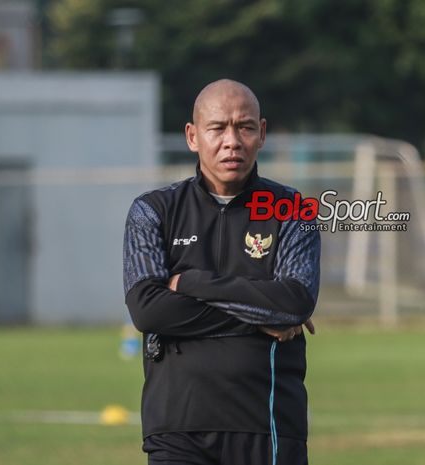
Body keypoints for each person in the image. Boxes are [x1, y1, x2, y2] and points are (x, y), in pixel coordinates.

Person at [123, 79, 321, 465]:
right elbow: (149, 310)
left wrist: (191, 282)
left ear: (261, 134)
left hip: (269, 427)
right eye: (218, 128)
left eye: (244, 127)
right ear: (193, 136)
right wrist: (262, 315)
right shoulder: (152, 212)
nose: (232, 140)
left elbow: (295, 302)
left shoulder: (294, 209)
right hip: (176, 428)